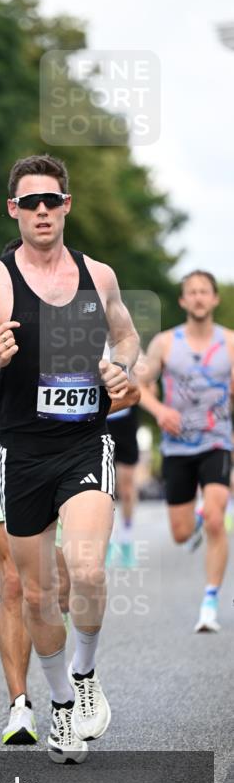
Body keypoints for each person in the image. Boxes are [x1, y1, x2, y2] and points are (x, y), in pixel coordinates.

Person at [0, 154, 139, 764]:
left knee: (86, 570)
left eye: (50, 201)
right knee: (36, 594)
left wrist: (121, 367)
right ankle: (59, 704)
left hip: (84, 442)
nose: (41, 211)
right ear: (13, 210)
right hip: (22, 452)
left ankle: (84, 676)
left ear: (66, 206)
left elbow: (127, 334)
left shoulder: (98, 276)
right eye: (29, 202)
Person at [138, 270, 233, 633]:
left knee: (216, 517)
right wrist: (160, 411)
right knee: (180, 533)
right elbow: (139, 386)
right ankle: (193, 522)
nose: (198, 297)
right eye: (191, 292)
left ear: (214, 298)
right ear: (182, 301)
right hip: (177, 446)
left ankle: (210, 602)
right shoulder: (165, 343)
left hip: (217, 441)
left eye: (204, 291)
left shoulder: (229, 342)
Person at [105, 373, 141, 569]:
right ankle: (107, 541)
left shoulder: (129, 356)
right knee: (104, 489)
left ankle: (126, 538)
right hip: (100, 422)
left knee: (126, 489)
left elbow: (145, 387)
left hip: (125, 424)